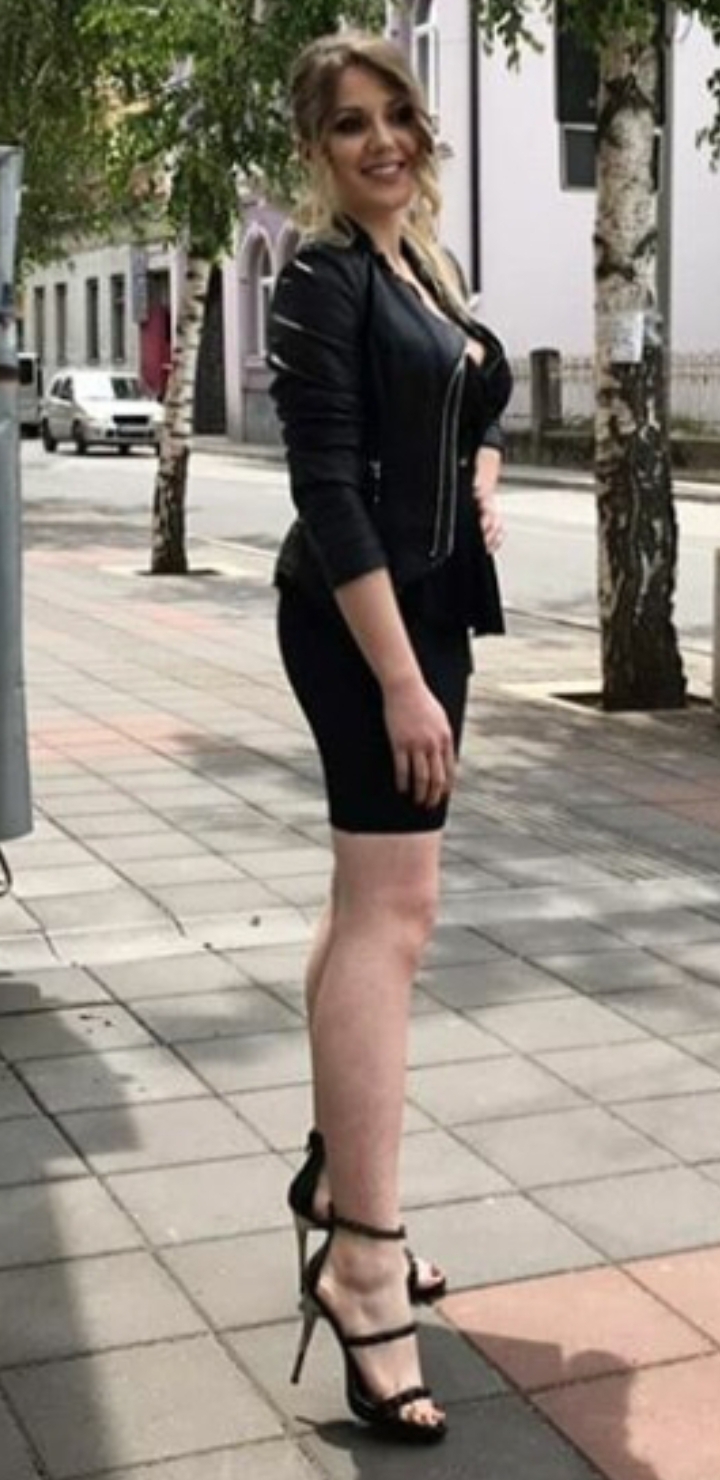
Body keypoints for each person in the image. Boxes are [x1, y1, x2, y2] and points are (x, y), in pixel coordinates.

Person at [267, 30, 512, 1445]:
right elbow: (328, 488)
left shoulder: (422, 263)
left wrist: (481, 472)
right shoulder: (322, 277)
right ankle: (361, 1261)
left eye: (397, 115)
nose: (383, 142)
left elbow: (466, 395)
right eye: (351, 124)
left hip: (425, 611)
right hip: (366, 625)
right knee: (394, 919)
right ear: (317, 149)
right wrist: (403, 685)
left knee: (367, 906)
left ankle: (334, 1180)